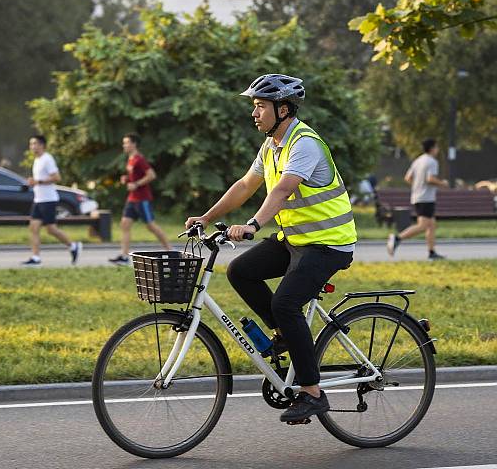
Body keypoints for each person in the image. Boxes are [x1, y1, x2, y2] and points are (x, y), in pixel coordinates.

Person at [185, 74, 357, 423]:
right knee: (240, 271)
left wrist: (252, 225)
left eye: (260, 106)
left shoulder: (304, 143)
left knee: (286, 302)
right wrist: (206, 217)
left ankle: (312, 393)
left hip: (328, 243)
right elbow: (246, 185)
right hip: (296, 239)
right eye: (254, 106)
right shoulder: (272, 146)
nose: (255, 113)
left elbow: (281, 191)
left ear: (282, 109)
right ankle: (282, 335)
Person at [109, 133, 172, 265]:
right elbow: (135, 176)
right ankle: (124, 256)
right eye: (124, 143)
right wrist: (127, 179)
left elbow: (151, 175)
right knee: (125, 224)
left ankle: (170, 251)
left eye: (126, 143)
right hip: (132, 198)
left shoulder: (139, 159)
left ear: (134, 144)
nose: (124, 145)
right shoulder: (130, 159)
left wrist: (136, 184)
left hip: (142, 198)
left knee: (151, 226)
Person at [22, 135, 82, 266]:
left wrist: (38, 181)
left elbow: (56, 177)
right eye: (31, 144)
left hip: (48, 200)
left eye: (35, 144)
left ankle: (73, 246)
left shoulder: (47, 159)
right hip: (39, 199)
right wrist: (33, 182)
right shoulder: (37, 160)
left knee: (51, 229)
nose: (33, 147)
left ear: (42, 145)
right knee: (34, 227)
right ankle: (35, 258)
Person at [387, 138, 449, 260]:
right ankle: (397, 239)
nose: (438, 150)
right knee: (423, 226)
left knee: (431, 225)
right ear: (432, 148)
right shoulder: (432, 162)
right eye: (436, 147)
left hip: (417, 196)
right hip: (426, 198)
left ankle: (432, 253)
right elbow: (430, 179)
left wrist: (418, 186)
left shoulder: (418, 161)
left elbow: (408, 177)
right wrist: (443, 184)